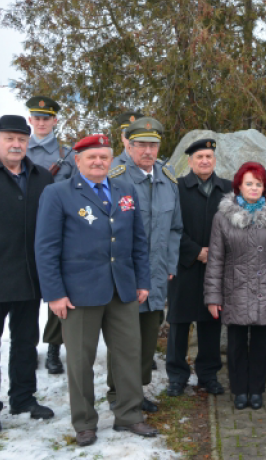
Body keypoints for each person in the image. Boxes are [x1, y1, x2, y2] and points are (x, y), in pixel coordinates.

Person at [35, 134, 157, 447]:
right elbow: (46, 247)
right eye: (92, 157)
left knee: (129, 356)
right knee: (79, 361)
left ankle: (129, 414)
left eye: (104, 156)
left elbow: (138, 241)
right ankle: (85, 422)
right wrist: (54, 294)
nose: (99, 162)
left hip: (122, 290)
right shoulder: (58, 193)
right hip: (78, 294)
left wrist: (142, 281)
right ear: (78, 161)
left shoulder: (124, 190)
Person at [204, 161, 266, 410]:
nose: (254, 188)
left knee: (259, 344)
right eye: (249, 183)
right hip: (234, 289)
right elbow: (215, 259)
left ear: (265, 187)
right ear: (239, 186)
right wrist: (213, 297)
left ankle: (256, 390)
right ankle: (239, 391)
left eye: (259, 184)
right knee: (235, 344)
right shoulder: (223, 217)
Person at [106, 117, 183, 412]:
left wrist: (170, 263)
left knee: (148, 336)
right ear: (129, 144)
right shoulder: (116, 177)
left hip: (157, 272)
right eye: (142, 145)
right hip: (125, 273)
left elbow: (175, 228)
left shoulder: (167, 176)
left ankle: (136, 393)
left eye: (154, 145)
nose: (148, 151)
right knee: (123, 337)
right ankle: (117, 394)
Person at [0, 115, 55, 425]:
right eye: (9, 138)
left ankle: (23, 398)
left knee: (26, 341)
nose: (16, 144)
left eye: (21, 139)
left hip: (29, 277)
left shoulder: (42, 177)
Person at [166, 138, 230, 397]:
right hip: (185, 265)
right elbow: (169, 227)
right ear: (190, 161)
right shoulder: (176, 188)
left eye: (209, 156)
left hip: (216, 268)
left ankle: (208, 375)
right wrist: (196, 252)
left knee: (211, 323)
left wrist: (214, 253)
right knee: (179, 323)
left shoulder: (227, 189)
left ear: (215, 160)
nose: (205, 161)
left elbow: (234, 225)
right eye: (199, 157)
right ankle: (177, 376)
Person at [26, 95, 78, 376]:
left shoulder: (67, 154)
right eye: (37, 118)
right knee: (27, 294)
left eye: (47, 118)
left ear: (55, 120)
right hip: (23, 230)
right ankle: (28, 346)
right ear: (30, 120)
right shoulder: (19, 149)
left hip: (58, 230)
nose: (42, 122)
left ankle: (55, 348)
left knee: (57, 288)